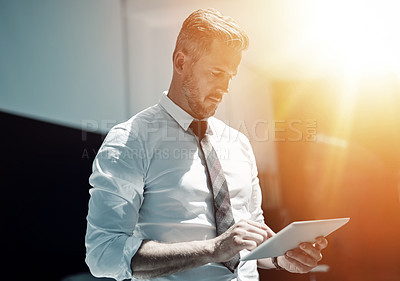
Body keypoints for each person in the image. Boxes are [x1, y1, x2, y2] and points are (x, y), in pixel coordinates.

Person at [85, 8, 328, 281]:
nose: (225, 87)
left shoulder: (238, 144)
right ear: (180, 62)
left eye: (230, 76)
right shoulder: (130, 141)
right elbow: (103, 254)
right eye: (216, 72)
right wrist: (213, 249)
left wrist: (279, 258)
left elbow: (252, 236)